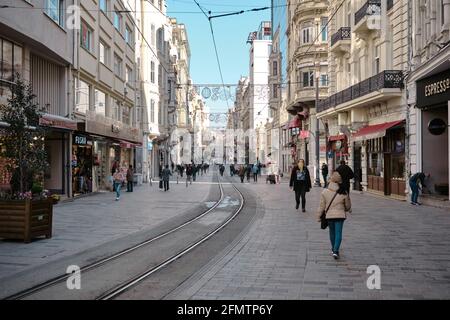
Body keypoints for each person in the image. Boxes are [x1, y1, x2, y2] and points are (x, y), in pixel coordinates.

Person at [316, 172, 351, 260]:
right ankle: (335, 250)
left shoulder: (325, 192)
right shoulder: (343, 191)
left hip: (330, 216)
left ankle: (333, 249)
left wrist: (318, 216)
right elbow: (348, 206)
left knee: (332, 232)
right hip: (340, 216)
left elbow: (321, 206)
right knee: (338, 233)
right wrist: (345, 209)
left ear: (331, 180)